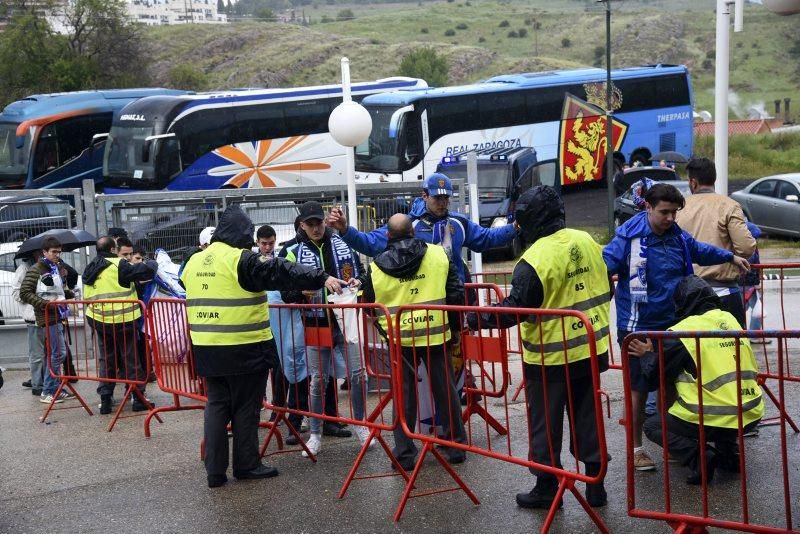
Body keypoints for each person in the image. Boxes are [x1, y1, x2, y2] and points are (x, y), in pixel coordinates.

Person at [465, 185, 612, 509]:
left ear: (530, 222)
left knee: (545, 424)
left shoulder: (534, 260)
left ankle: (547, 487)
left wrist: (476, 318)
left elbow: (516, 309)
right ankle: (595, 484)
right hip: (590, 351)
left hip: (550, 360)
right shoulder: (588, 241)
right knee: (589, 418)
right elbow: (605, 289)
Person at [180, 204, 347, 488]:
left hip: (206, 347)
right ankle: (247, 464)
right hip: (244, 347)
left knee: (217, 407)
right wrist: (321, 277)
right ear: (243, 234)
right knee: (247, 408)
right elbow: (283, 269)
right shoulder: (241, 260)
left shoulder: (195, 261)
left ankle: (215, 472)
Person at [603, 183, 750, 472]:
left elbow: (699, 250)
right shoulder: (627, 237)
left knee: (670, 384)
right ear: (648, 207)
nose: (670, 218)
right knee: (638, 390)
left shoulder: (677, 236)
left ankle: (671, 442)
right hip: (638, 326)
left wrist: (730, 256)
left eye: (674, 212)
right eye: (664, 212)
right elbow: (604, 265)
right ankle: (636, 450)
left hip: (673, 324)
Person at [631, 275, 764, 485]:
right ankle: (730, 457)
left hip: (715, 416)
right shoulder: (730, 320)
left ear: (682, 303)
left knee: (654, 426)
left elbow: (656, 375)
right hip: (751, 412)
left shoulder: (684, 331)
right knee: (724, 403)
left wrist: (648, 354)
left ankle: (701, 458)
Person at [361, 213, 467, 471]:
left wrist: (386, 332)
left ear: (388, 236)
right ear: (413, 232)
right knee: (446, 390)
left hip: (400, 340)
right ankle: (456, 445)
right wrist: (455, 330)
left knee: (403, 395)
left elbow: (368, 304)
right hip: (436, 333)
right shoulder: (439, 255)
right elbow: (455, 293)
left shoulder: (376, 266)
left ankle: (405, 454)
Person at [281, 201, 372, 455]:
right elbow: (284, 290)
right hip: (316, 322)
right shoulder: (291, 251)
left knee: (358, 375)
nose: (316, 228)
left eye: (318, 223)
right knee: (318, 380)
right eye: (310, 224)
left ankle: (362, 425)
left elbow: (364, 273)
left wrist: (358, 281)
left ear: (324, 221)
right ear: (302, 225)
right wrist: (301, 292)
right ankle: (316, 434)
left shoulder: (342, 242)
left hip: (347, 320)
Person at [327, 172, 518, 283]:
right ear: (425, 196)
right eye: (437, 198)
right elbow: (370, 243)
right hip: (424, 301)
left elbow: (487, 238)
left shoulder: (459, 222)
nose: (442, 203)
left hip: (457, 299)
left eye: (446, 198)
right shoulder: (407, 225)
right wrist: (345, 230)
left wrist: (515, 227)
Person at [676, 157, 756, 328]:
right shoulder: (729, 205)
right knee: (734, 350)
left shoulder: (678, 209)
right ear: (714, 179)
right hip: (726, 292)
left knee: (696, 352)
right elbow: (746, 247)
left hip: (690, 295)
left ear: (693, 182)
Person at [83, 236, 158, 414]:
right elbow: (146, 271)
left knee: (107, 359)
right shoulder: (119, 265)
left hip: (99, 321)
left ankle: (106, 399)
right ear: (112, 250)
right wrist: (154, 263)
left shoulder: (91, 267)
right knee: (131, 359)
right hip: (123, 320)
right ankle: (137, 398)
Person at [18, 237, 75, 405]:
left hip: (58, 315)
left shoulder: (55, 267)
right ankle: (48, 390)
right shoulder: (37, 269)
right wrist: (46, 304)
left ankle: (54, 388)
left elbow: (54, 291)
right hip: (47, 317)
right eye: (54, 252)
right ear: (44, 252)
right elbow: (24, 293)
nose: (57, 255)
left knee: (58, 353)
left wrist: (68, 295)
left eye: (59, 251)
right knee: (57, 354)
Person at [13, 251, 44, 396]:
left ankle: (45, 382)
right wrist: (35, 297)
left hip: (48, 316)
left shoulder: (47, 267)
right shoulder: (24, 268)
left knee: (50, 353)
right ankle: (37, 384)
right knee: (37, 354)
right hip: (33, 316)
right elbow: (16, 293)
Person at [742, 221, 768, 343]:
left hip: (745, 282)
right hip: (749, 283)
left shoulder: (745, 246)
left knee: (745, 307)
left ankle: (744, 334)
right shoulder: (749, 249)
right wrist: (757, 284)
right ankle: (754, 335)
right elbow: (753, 267)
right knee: (757, 307)